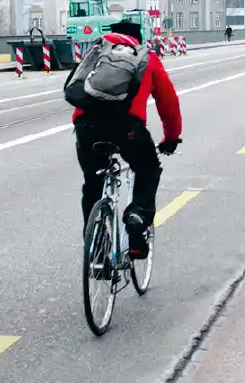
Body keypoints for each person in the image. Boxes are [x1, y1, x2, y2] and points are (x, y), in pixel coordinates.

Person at [72, 20, 182, 259]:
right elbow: (168, 103)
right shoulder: (145, 57)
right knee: (148, 169)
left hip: (86, 126)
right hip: (127, 129)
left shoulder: (96, 51)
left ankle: (97, 253)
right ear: (137, 39)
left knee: (93, 184)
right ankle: (138, 216)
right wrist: (171, 138)